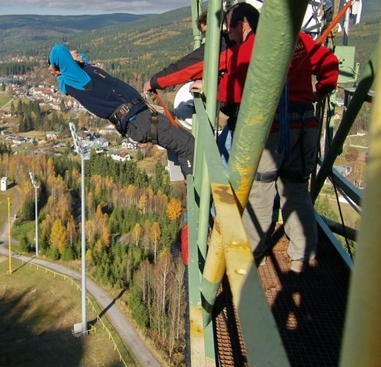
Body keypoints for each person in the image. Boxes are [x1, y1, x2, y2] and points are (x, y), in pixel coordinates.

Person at [217, 29, 339, 273]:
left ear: (243, 24)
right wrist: (320, 91)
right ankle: (301, 257)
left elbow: (232, 90)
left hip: (274, 131)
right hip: (305, 126)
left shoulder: (256, 44)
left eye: (232, 27)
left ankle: (254, 254)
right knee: (296, 189)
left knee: (260, 192)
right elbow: (329, 64)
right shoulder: (299, 39)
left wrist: (212, 88)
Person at [48, 44, 195, 177]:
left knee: (187, 141)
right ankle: (194, 187)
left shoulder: (84, 73)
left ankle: (191, 180)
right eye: (70, 52)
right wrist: (56, 65)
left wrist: (76, 58)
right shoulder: (77, 80)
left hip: (141, 117)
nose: (74, 51)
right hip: (138, 120)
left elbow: (84, 60)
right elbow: (59, 50)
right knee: (187, 146)